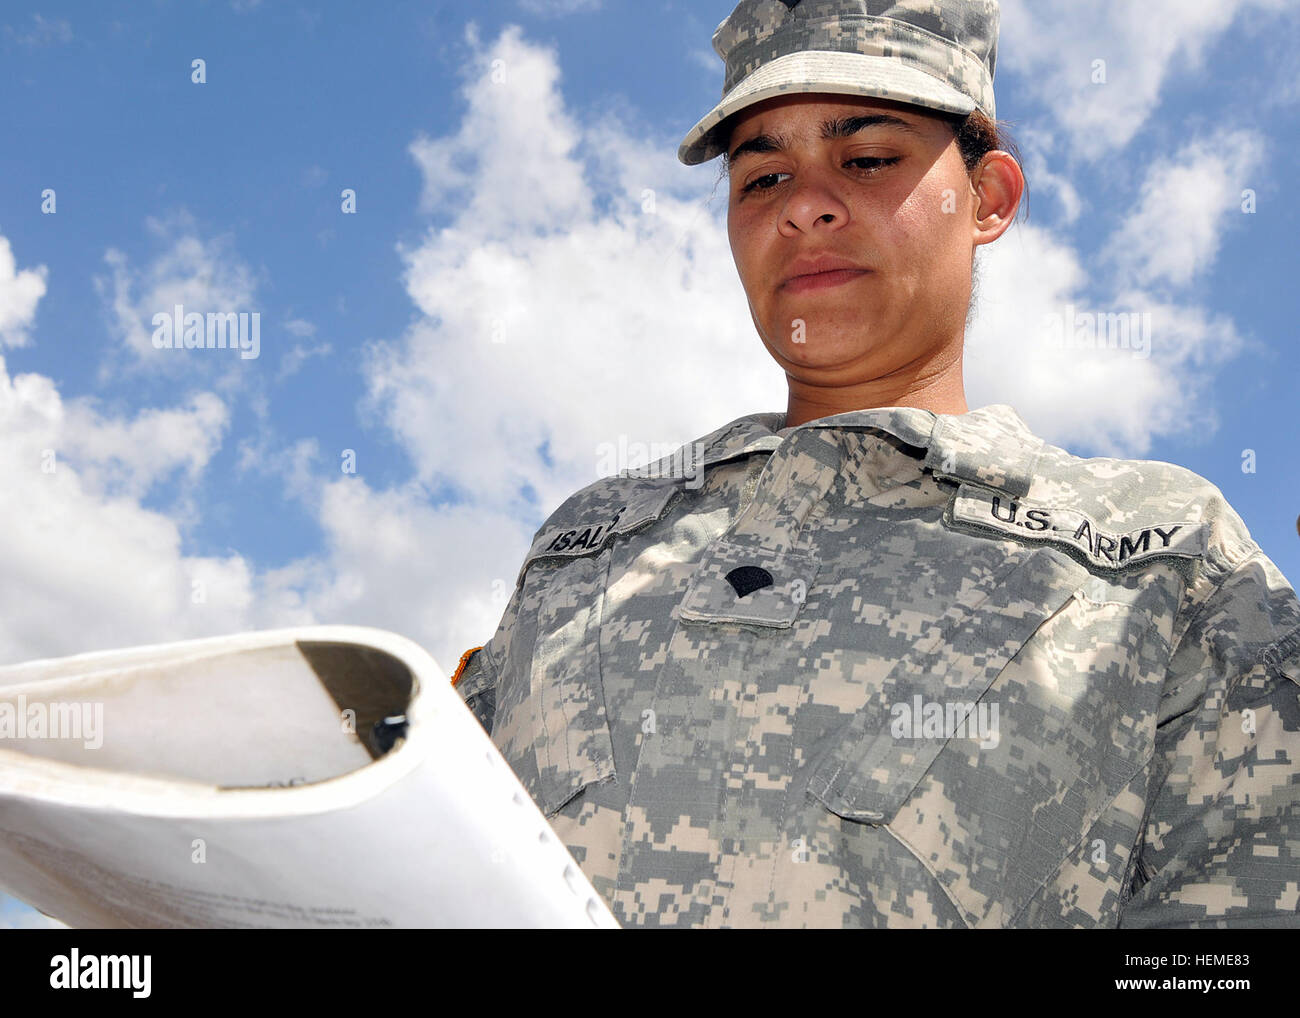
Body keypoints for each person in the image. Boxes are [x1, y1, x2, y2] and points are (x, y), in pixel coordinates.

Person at [452, 0, 1300, 928]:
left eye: (866, 159)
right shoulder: (581, 550)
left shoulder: (1164, 563)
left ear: (990, 199)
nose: (804, 205)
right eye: (763, 175)